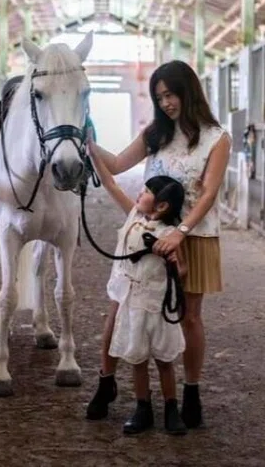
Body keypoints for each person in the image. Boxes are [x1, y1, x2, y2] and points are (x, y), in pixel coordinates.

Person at [86, 60, 232, 429]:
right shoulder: (156, 132)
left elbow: (209, 192)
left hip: (194, 237)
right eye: (159, 97)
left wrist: (180, 230)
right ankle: (110, 383)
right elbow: (117, 165)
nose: (165, 103)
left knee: (189, 317)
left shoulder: (216, 138)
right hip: (148, 236)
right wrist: (85, 142)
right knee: (121, 307)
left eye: (170, 94)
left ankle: (191, 392)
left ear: (188, 91)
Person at [91, 151, 188, 436]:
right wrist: (92, 153)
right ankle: (142, 407)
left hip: (156, 306)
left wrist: (172, 262)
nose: (139, 192)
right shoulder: (133, 215)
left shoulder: (169, 234)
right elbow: (111, 184)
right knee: (137, 360)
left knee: (164, 361)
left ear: (161, 206)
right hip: (131, 304)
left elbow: (183, 271)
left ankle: (172, 408)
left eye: (146, 191)